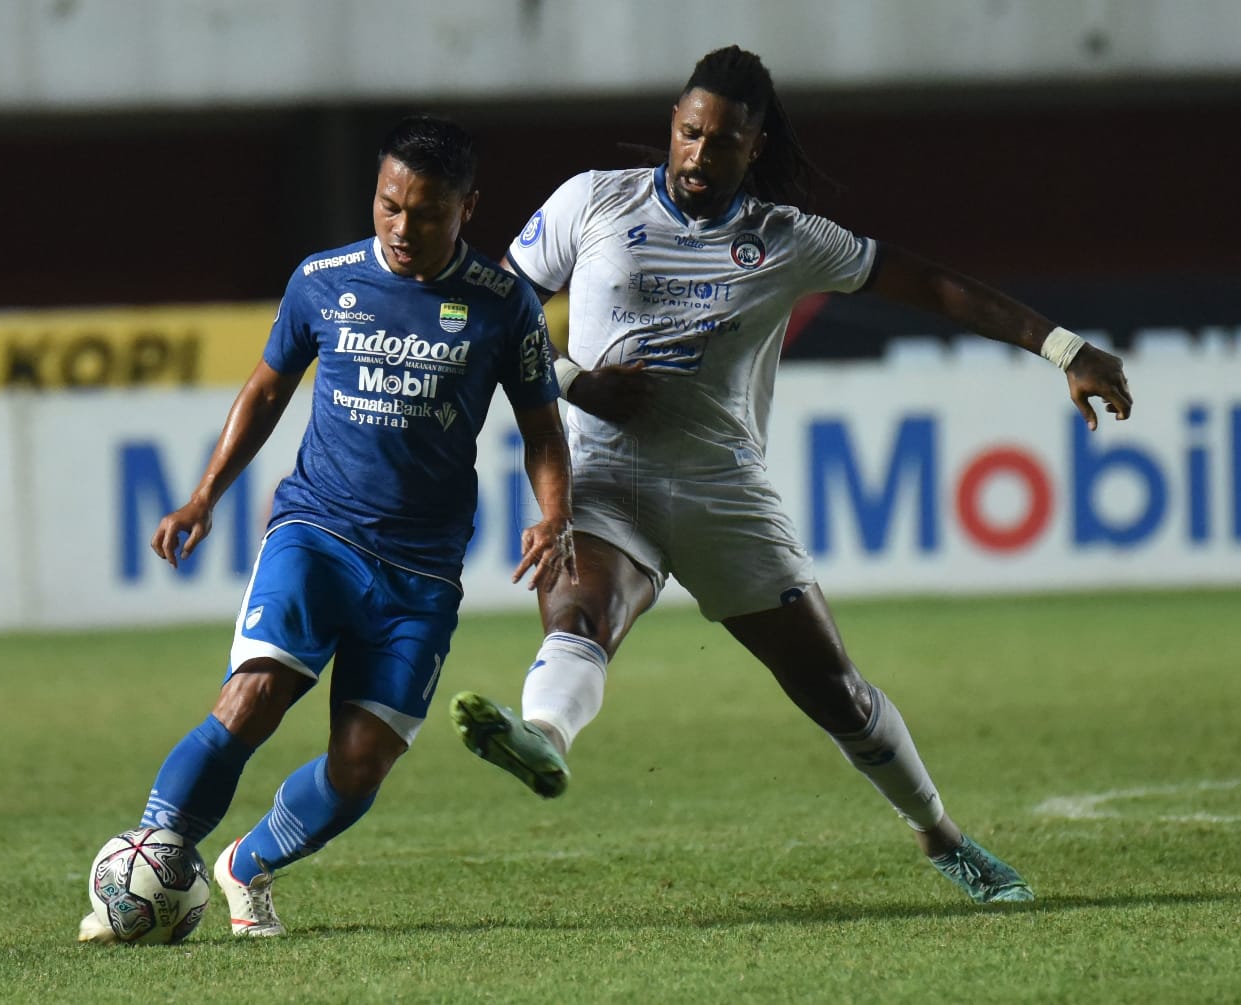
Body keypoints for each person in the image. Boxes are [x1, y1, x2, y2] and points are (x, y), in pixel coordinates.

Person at [448, 45, 1134, 905]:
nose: (698, 155)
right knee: (582, 611)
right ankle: (541, 734)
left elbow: (931, 286)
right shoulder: (591, 201)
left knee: (835, 693)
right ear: (672, 121)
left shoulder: (786, 239)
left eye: (722, 142)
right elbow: (495, 309)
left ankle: (941, 836)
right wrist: (578, 382)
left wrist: (1062, 347)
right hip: (602, 470)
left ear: (755, 145)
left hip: (721, 492)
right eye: (689, 133)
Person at [79, 115, 576, 941]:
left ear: (467, 208)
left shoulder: (503, 304)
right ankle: (148, 863)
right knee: (254, 696)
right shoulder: (324, 278)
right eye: (388, 205)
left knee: (360, 761)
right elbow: (267, 388)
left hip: (421, 571)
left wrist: (553, 513)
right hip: (317, 530)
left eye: (425, 213)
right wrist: (204, 495)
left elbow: (543, 430)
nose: (401, 227)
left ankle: (246, 865)